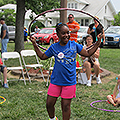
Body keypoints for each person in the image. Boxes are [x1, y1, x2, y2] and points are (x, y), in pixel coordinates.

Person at [29, 23, 102, 120]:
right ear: (58, 35)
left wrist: (97, 43)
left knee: (66, 106)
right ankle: (52, 118)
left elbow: (88, 53)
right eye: (63, 33)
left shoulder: (74, 45)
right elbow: (43, 56)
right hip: (56, 81)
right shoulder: (54, 47)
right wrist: (35, 44)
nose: (66, 35)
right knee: (49, 104)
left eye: (67, 33)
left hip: (69, 81)